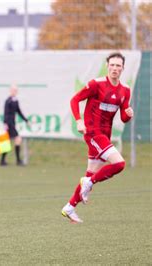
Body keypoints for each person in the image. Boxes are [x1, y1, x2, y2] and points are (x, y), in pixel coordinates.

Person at [61, 52, 133, 224]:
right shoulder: (96, 84)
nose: (115, 68)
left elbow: (123, 117)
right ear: (107, 65)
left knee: (90, 173)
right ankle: (89, 183)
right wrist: (79, 121)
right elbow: (75, 99)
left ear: (123, 68)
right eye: (112, 65)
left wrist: (128, 115)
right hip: (93, 132)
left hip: (105, 135)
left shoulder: (125, 90)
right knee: (119, 164)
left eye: (118, 66)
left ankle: (70, 207)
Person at [0, 85, 29, 166]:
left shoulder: (15, 101)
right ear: (10, 91)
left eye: (15, 90)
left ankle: (3, 161)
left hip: (12, 123)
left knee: (9, 142)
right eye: (13, 90)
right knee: (18, 139)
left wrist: (26, 120)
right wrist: (5, 123)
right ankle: (18, 161)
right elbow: (5, 113)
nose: (14, 91)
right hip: (9, 123)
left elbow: (19, 112)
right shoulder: (8, 101)